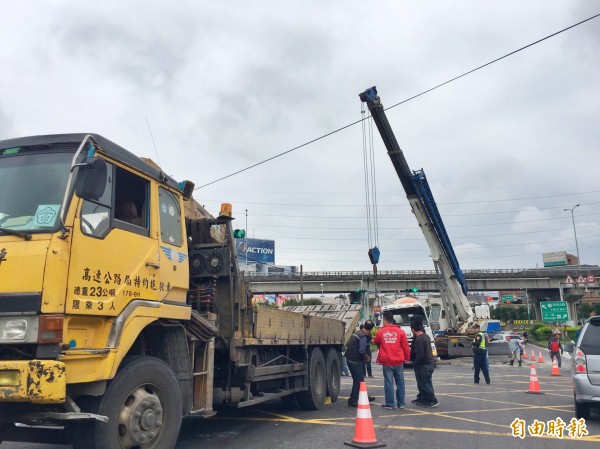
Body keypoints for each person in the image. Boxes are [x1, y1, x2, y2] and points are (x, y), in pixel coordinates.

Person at [373, 311, 411, 410]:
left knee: (388, 383)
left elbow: (376, 341)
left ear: (385, 321)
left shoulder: (381, 332)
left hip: (387, 361)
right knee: (400, 383)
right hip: (399, 361)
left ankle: (390, 404)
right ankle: (401, 403)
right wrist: (407, 358)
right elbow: (406, 347)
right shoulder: (400, 332)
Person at [345, 320, 376, 407]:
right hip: (354, 360)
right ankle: (353, 400)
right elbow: (362, 351)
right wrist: (367, 357)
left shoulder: (358, 333)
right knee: (358, 381)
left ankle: (364, 396)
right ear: (371, 329)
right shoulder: (363, 337)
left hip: (350, 358)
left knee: (361, 380)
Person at [410, 319, 438, 408]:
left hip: (423, 365)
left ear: (413, 329)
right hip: (430, 363)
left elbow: (420, 354)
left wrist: (415, 362)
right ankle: (424, 398)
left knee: (424, 383)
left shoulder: (419, 339)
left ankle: (432, 400)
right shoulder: (426, 336)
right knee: (427, 382)